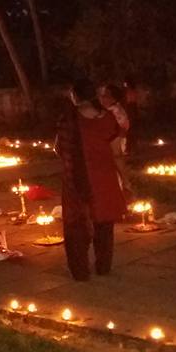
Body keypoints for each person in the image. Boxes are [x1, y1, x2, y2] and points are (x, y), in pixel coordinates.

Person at [55, 79, 127, 281]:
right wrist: (126, 180)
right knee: (104, 224)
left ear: (75, 96)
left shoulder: (68, 119)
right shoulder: (107, 119)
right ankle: (103, 266)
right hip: (104, 178)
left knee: (76, 226)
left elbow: (58, 148)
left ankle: (80, 271)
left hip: (76, 180)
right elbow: (117, 153)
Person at [100, 84, 133, 199]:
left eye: (105, 96)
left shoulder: (115, 112)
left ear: (113, 98)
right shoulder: (109, 111)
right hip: (111, 144)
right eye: (101, 95)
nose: (102, 99)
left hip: (115, 144)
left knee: (117, 167)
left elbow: (120, 131)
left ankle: (125, 190)